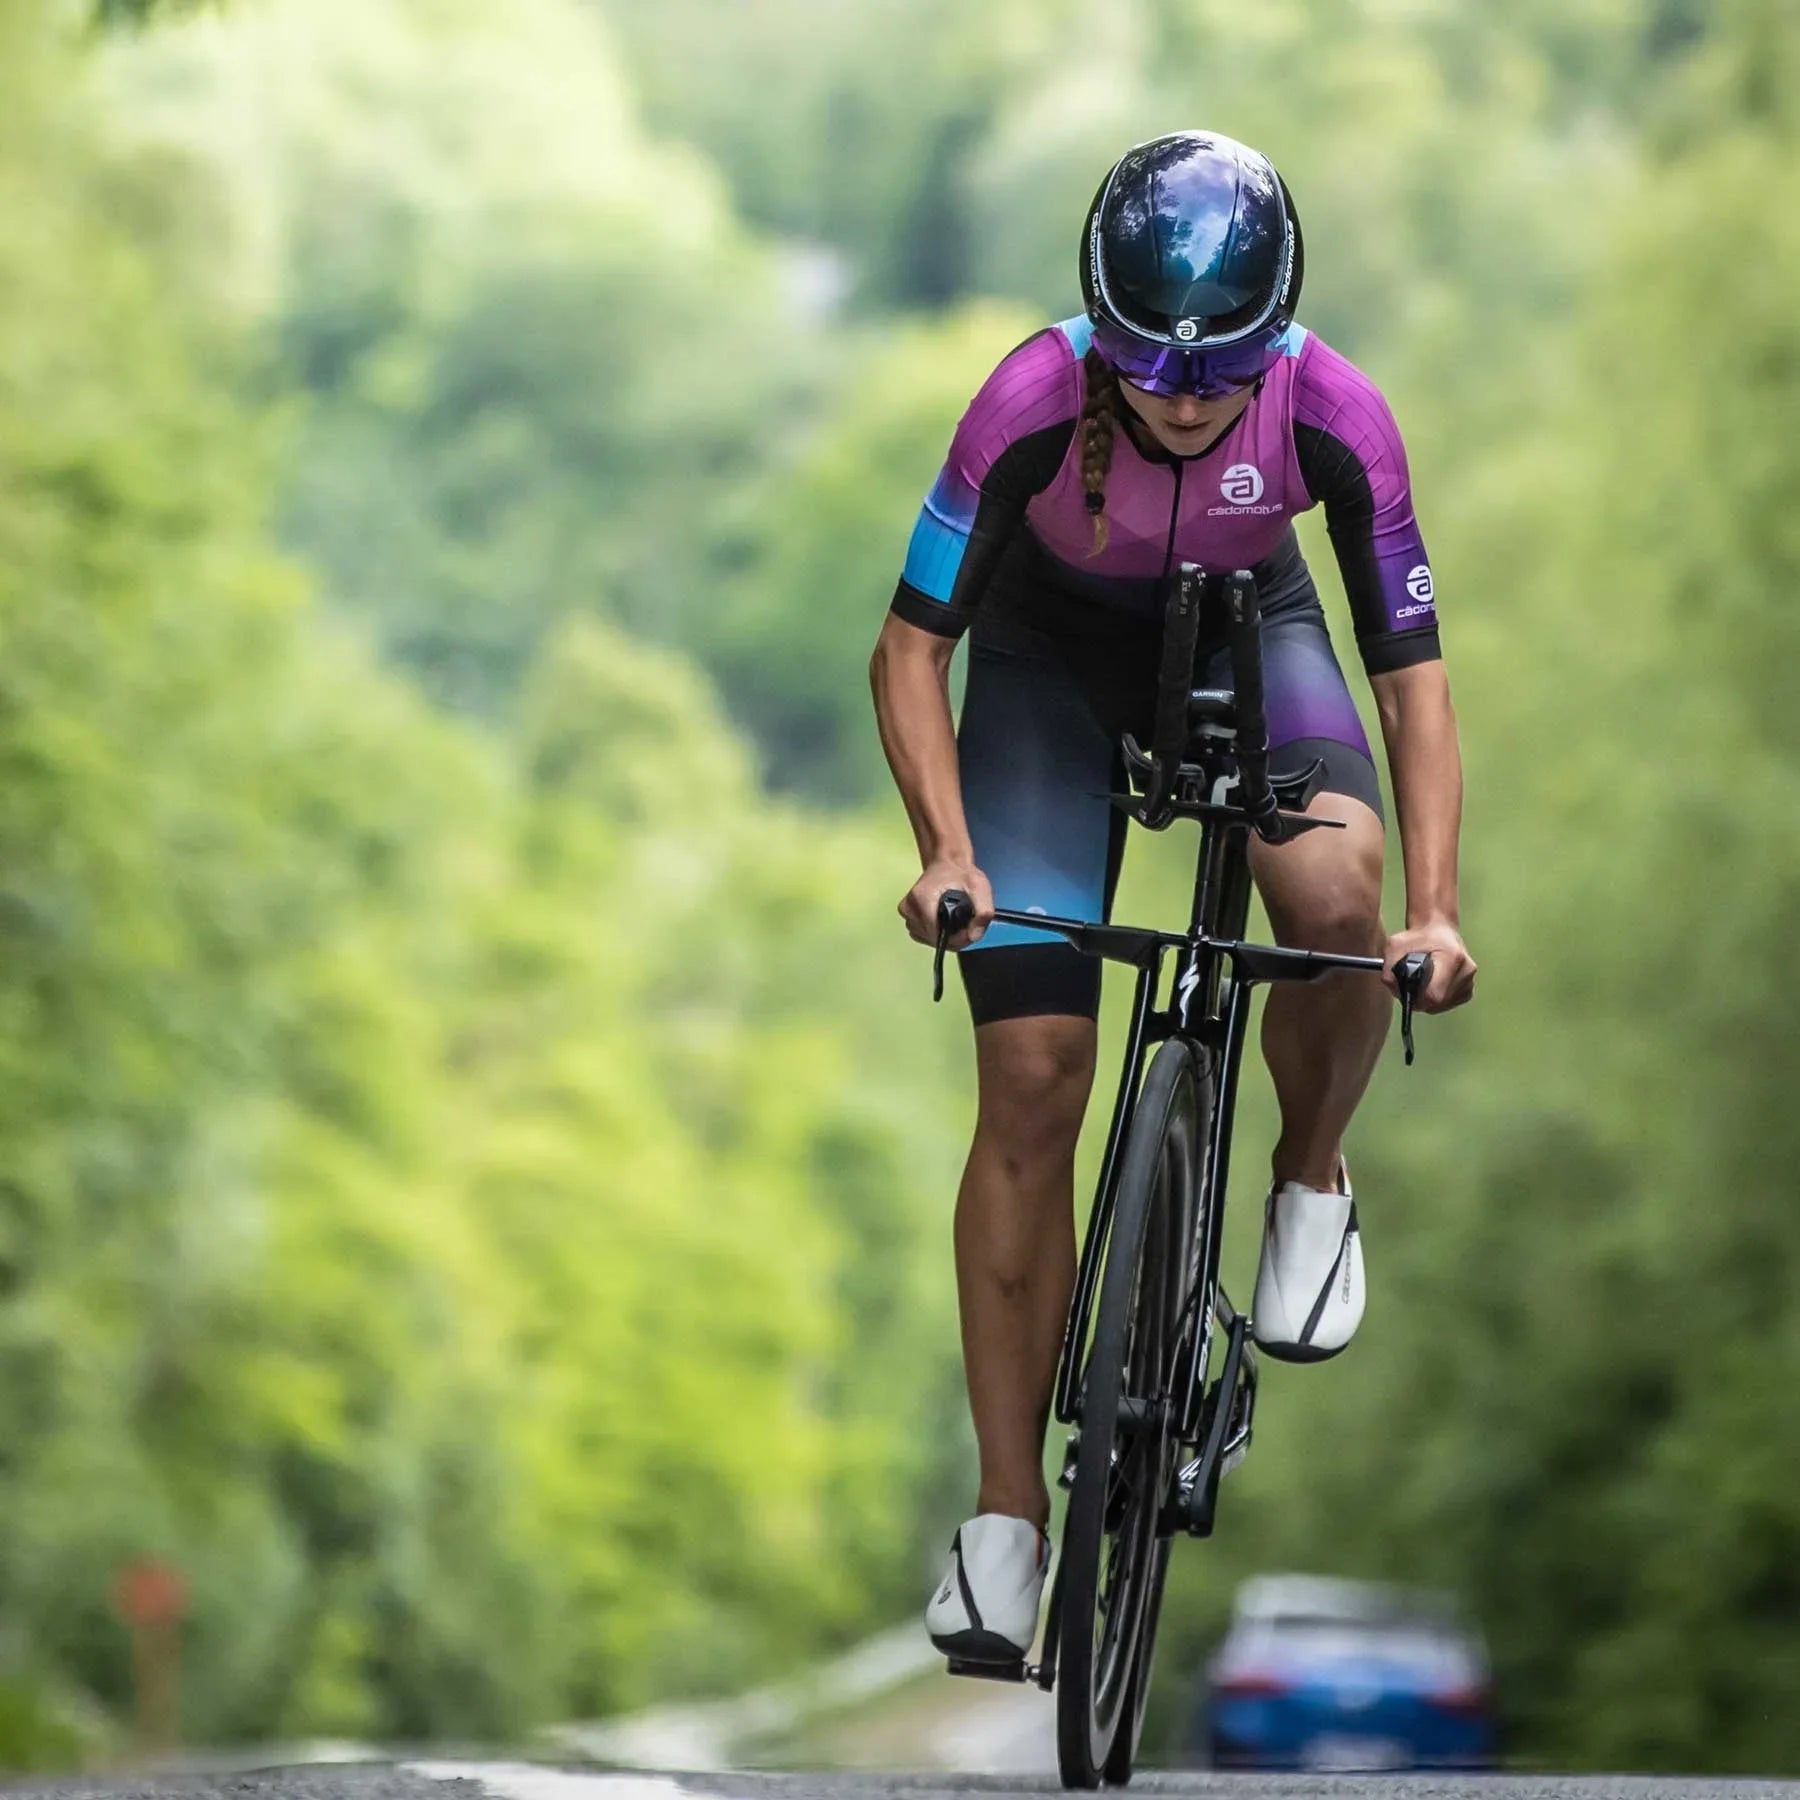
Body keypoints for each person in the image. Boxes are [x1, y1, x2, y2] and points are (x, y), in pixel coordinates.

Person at [869, 131, 1479, 1669]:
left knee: (1333, 898)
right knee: (1030, 1073)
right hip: (1042, 668)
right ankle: (1008, 1523)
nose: (1187, 397)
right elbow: (908, 648)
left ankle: (1311, 1176)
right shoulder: (1020, 403)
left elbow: (1410, 681)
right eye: (1146, 369)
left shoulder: (1338, 415)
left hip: (1246, 636)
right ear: (1096, 330)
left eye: (1222, 373)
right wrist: (947, 850)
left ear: (1280, 341)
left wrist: (1437, 905)